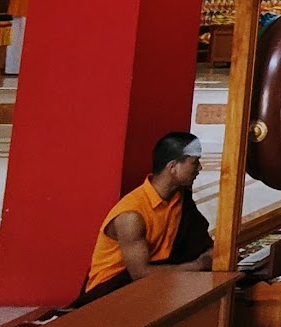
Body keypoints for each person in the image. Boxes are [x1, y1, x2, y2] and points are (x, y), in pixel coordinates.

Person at [75, 131, 213, 307]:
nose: (199, 168)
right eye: (194, 163)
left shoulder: (179, 199)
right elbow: (140, 274)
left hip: (156, 285)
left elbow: (198, 243)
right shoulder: (131, 214)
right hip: (111, 296)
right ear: (173, 167)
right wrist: (198, 265)